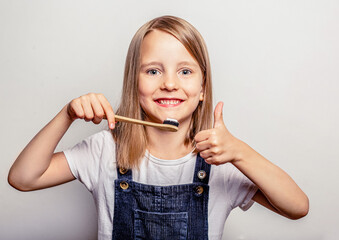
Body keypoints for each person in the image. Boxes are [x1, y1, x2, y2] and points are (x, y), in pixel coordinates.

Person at [8, 15, 309, 240]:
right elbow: (22, 178)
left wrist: (240, 152)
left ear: (203, 87)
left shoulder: (220, 161)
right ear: (134, 82)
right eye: (153, 70)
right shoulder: (104, 150)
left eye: (185, 71)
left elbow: (297, 206)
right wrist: (67, 114)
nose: (169, 83)